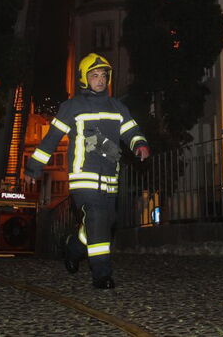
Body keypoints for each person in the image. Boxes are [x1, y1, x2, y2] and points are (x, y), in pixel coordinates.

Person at [24, 52, 150, 289]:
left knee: (103, 223)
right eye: (94, 75)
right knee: (98, 220)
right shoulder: (72, 107)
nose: (100, 79)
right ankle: (101, 275)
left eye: (103, 75)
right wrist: (33, 168)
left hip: (110, 178)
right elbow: (51, 139)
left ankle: (73, 247)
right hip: (84, 177)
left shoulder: (117, 107)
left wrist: (140, 144)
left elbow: (132, 131)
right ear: (84, 78)